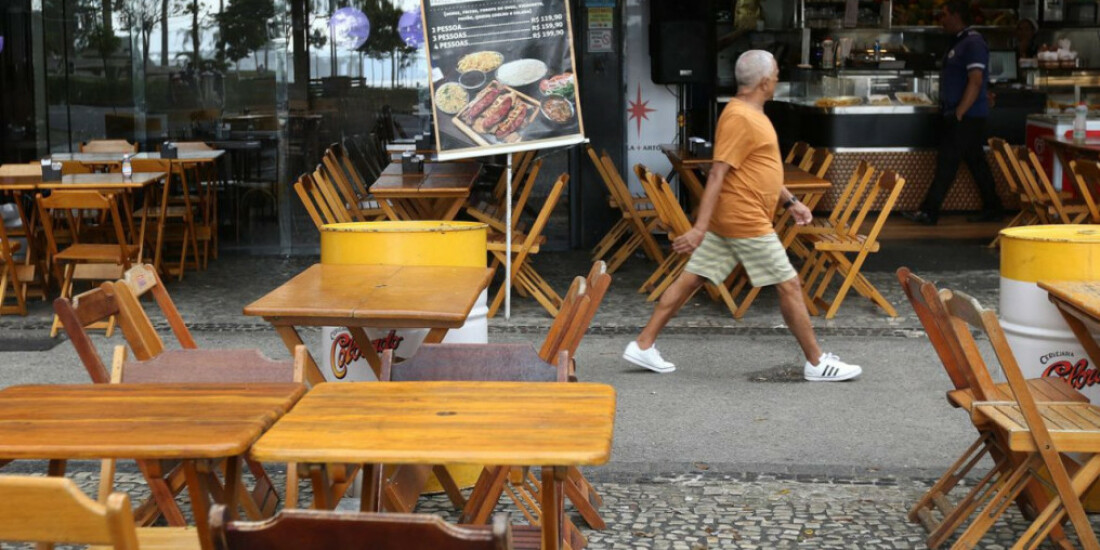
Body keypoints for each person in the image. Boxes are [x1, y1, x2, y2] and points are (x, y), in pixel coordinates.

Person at [622, 50, 862, 383]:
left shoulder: (751, 113)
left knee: (692, 278)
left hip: (735, 218)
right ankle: (817, 361)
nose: (778, 77)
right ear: (765, 81)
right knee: (790, 284)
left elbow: (758, 167)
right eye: (776, 72)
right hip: (745, 219)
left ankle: (643, 344)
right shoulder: (739, 117)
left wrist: (790, 200)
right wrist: (699, 229)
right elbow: (718, 173)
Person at [902, 1, 1003, 226]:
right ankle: (994, 207)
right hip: (962, 113)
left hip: (966, 115)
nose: (941, 19)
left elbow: (975, 80)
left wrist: (959, 112)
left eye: (945, 14)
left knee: (947, 162)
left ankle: (929, 212)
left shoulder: (973, 42)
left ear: (957, 16)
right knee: (976, 162)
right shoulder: (959, 41)